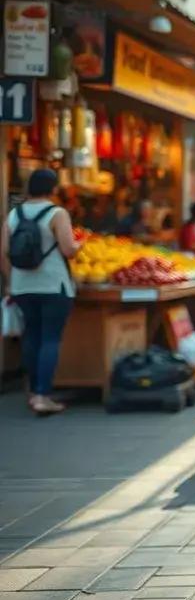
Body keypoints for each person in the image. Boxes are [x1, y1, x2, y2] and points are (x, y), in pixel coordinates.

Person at [1, 169, 82, 415]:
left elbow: (3, 252)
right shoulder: (57, 213)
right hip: (52, 285)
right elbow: (68, 250)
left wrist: (10, 281)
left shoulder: (14, 215)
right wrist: (79, 245)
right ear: (53, 188)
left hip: (23, 286)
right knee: (50, 338)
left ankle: (32, 391)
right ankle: (43, 395)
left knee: (31, 336)